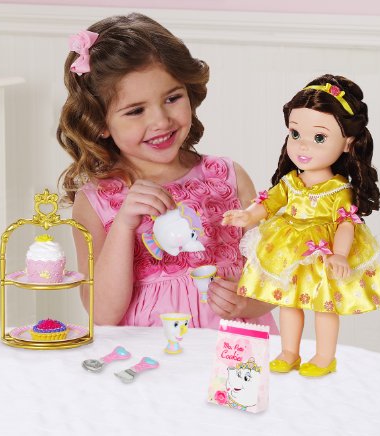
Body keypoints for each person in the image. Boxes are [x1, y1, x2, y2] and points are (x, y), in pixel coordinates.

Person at [57, 13, 277, 332]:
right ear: (100, 122)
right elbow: (102, 313)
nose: (161, 121)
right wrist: (124, 225)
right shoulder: (95, 202)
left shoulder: (228, 178)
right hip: (150, 355)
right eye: (136, 110)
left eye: (172, 98)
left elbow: (275, 276)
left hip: (233, 349)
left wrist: (247, 303)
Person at [222, 74, 380, 377]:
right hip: (289, 250)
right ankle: (290, 351)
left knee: (324, 306)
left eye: (319, 138)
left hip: (322, 254)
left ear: (348, 143)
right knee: (288, 301)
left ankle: (325, 356)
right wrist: (247, 216)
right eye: (295, 133)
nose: (303, 146)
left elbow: (346, 224)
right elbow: (269, 202)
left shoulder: (339, 190)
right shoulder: (290, 182)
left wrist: (340, 254)